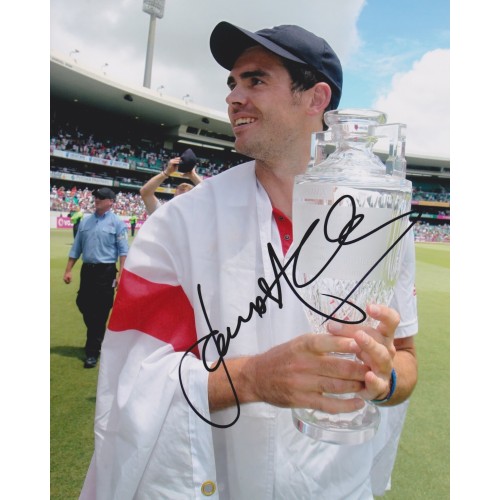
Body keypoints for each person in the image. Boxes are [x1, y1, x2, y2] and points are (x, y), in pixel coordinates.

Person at [80, 22, 418, 499]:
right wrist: (255, 378)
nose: (234, 96)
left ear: (316, 99)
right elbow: (132, 384)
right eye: (232, 83)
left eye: (255, 80)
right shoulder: (178, 224)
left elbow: (405, 361)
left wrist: (385, 382)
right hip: (223, 482)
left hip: (342, 486)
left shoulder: (380, 215)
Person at [63, 187, 129, 369]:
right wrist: (68, 270)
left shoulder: (117, 223)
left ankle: (92, 351)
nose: (97, 199)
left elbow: (124, 252)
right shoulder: (85, 222)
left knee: (100, 312)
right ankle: (97, 335)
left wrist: (122, 274)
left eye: (101, 197)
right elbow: (76, 248)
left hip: (106, 272)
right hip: (87, 271)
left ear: (111, 202)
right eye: (95, 197)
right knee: (82, 303)